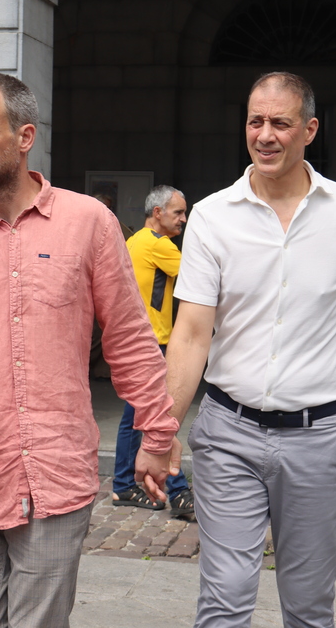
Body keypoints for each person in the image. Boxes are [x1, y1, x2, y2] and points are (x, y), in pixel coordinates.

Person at [0, 72, 179, 628]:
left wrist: (157, 434)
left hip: (56, 475)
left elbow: (128, 338)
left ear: (25, 137)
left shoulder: (89, 223)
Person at [164, 71, 336, 627]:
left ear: (310, 130)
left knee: (310, 606)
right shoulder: (213, 215)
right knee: (223, 600)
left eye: (281, 123)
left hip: (320, 439)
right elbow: (192, 333)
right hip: (228, 433)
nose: (265, 135)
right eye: (255, 121)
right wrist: (161, 427)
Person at [112, 185, 195, 519]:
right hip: (153, 342)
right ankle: (178, 490)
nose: (184, 219)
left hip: (136, 339)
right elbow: (201, 277)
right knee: (159, 416)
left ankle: (124, 484)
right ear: (157, 213)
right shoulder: (159, 245)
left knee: (136, 417)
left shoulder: (135, 241)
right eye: (178, 212)